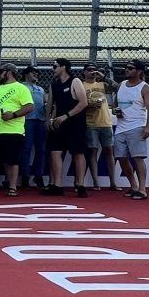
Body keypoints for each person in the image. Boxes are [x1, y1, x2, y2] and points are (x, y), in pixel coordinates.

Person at [0, 61, 34, 197]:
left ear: (9, 73)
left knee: (12, 160)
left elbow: (29, 106)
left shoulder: (21, 88)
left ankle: (12, 187)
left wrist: (13, 115)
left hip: (13, 130)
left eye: (1, 71)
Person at [44, 57, 90, 197]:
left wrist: (66, 116)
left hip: (75, 123)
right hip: (59, 123)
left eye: (55, 66)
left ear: (63, 67)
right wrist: (48, 120)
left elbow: (83, 103)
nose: (53, 69)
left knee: (78, 153)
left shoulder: (75, 81)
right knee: (55, 152)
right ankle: (57, 184)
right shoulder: (54, 85)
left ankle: (81, 184)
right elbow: (50, 104)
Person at [112, 60, 149, 200]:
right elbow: (115, 105)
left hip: (136, 125)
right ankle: (133, 185)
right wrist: (116, 110)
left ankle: (142, 188)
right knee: (121, 157)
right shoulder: (122, 85)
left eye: (130, 68)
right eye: (126, 68)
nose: (127, 70)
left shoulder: (144, 87)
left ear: (139, 71)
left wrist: (148, 126)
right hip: (121, 126)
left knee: (138, 157)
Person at [83, 66, 121, 190]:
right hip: (90, 123)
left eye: (94, 69)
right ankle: (95, 182)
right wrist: (89, 104)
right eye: (89, 69)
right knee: (93, 152)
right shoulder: (81, 85)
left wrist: (103, 76)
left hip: (105, 122)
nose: (92, 72)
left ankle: (113, 182)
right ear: (84, 72)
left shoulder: (102, 84)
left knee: (109, 151)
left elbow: (118, 87)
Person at [22, 65, 49, 190]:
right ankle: (25, 176)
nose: (36, 75)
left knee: (41, 149)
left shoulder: (41, 89)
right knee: (26, 148)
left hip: (40, 119)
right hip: (27, 119)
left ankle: (38, 175)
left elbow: (45, 103)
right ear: (27, 74)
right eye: (34, 72)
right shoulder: (21, 87)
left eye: (37, 73)